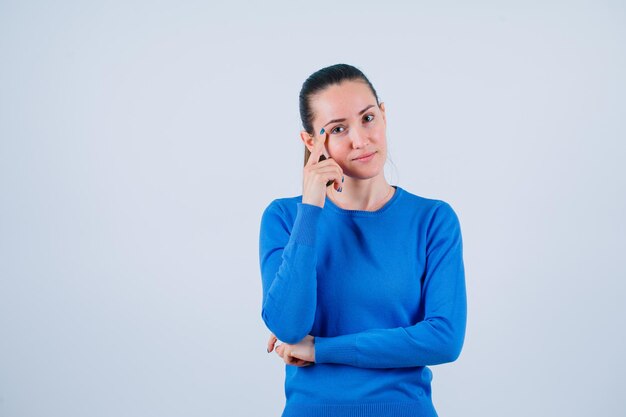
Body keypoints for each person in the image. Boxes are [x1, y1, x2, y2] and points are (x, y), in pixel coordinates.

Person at [258, 63, 467, 417]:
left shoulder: (433, 220)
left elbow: (444, 339)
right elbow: (289, 326)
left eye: (367, 118)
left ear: (383, 116)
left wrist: (321, 349)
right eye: (338, 128)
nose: (360, 139)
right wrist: (311, 207)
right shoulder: (285, 218)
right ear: (312, 141)